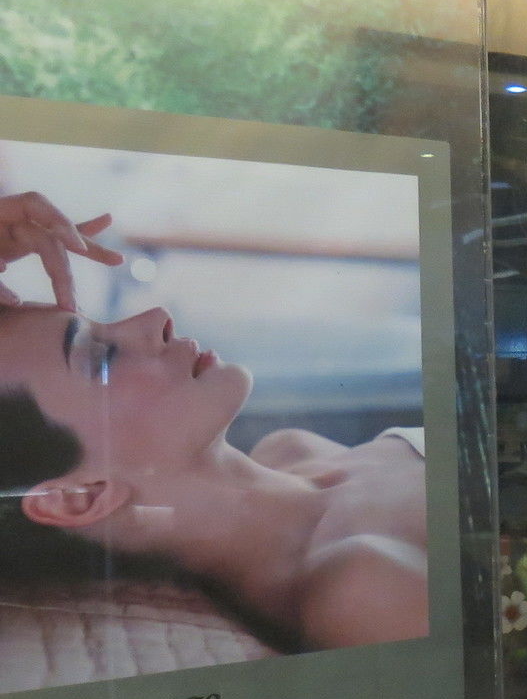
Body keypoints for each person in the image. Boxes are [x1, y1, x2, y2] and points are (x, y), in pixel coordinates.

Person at [0, 190, 427, 652]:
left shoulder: (292, 449)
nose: (155, 318)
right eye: (103, 358)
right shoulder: (364, 592)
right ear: (81, 498)